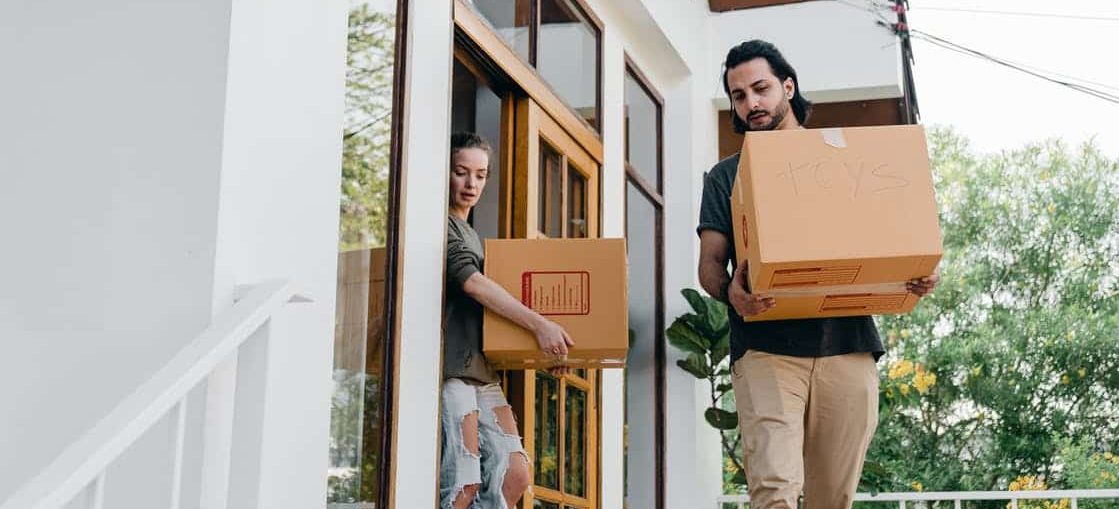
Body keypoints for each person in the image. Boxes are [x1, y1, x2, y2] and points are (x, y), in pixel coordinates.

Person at [696, 40, 939, 509]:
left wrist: (917, 273)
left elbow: (898, 236)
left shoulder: (846, 160)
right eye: (739, 96)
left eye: (761, 89)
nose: (752, 103)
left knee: (833, 497)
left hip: (847, 346)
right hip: (767, 349)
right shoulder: (725, 177)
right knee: (775, 491)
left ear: (788, 86)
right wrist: (732, 293)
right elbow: (709, 264)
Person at [440, 132, 574, 509]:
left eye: (480, 175)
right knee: (463, 485)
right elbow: (473, 284)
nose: (471, 184)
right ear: (444, 173)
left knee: (514, 475)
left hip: (482, 372)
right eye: (461, 172)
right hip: (453, 369)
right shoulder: (442, 226)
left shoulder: (475, 236)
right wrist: (540, 326)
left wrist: (548, 348)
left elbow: (497, 313)